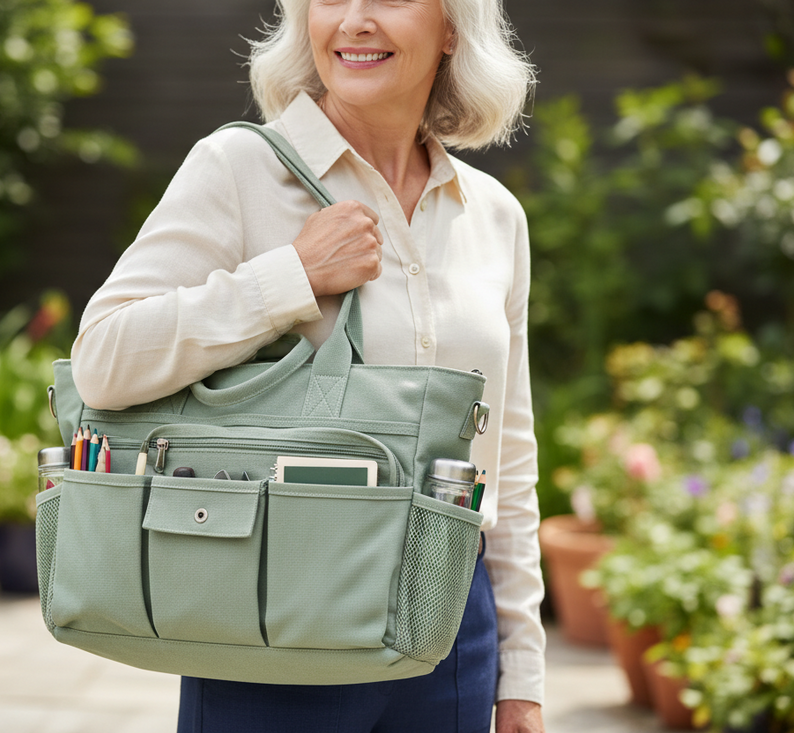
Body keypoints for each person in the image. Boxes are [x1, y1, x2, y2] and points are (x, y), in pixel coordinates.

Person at [72, 0, 545, 730]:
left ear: (453, 26)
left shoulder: (493, 215)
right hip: (268, 613)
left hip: (450, 622)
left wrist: (522, 672)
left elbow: (506, 460)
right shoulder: (238, 169)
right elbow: (102, 359)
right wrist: (290, 275)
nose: (354, 20)